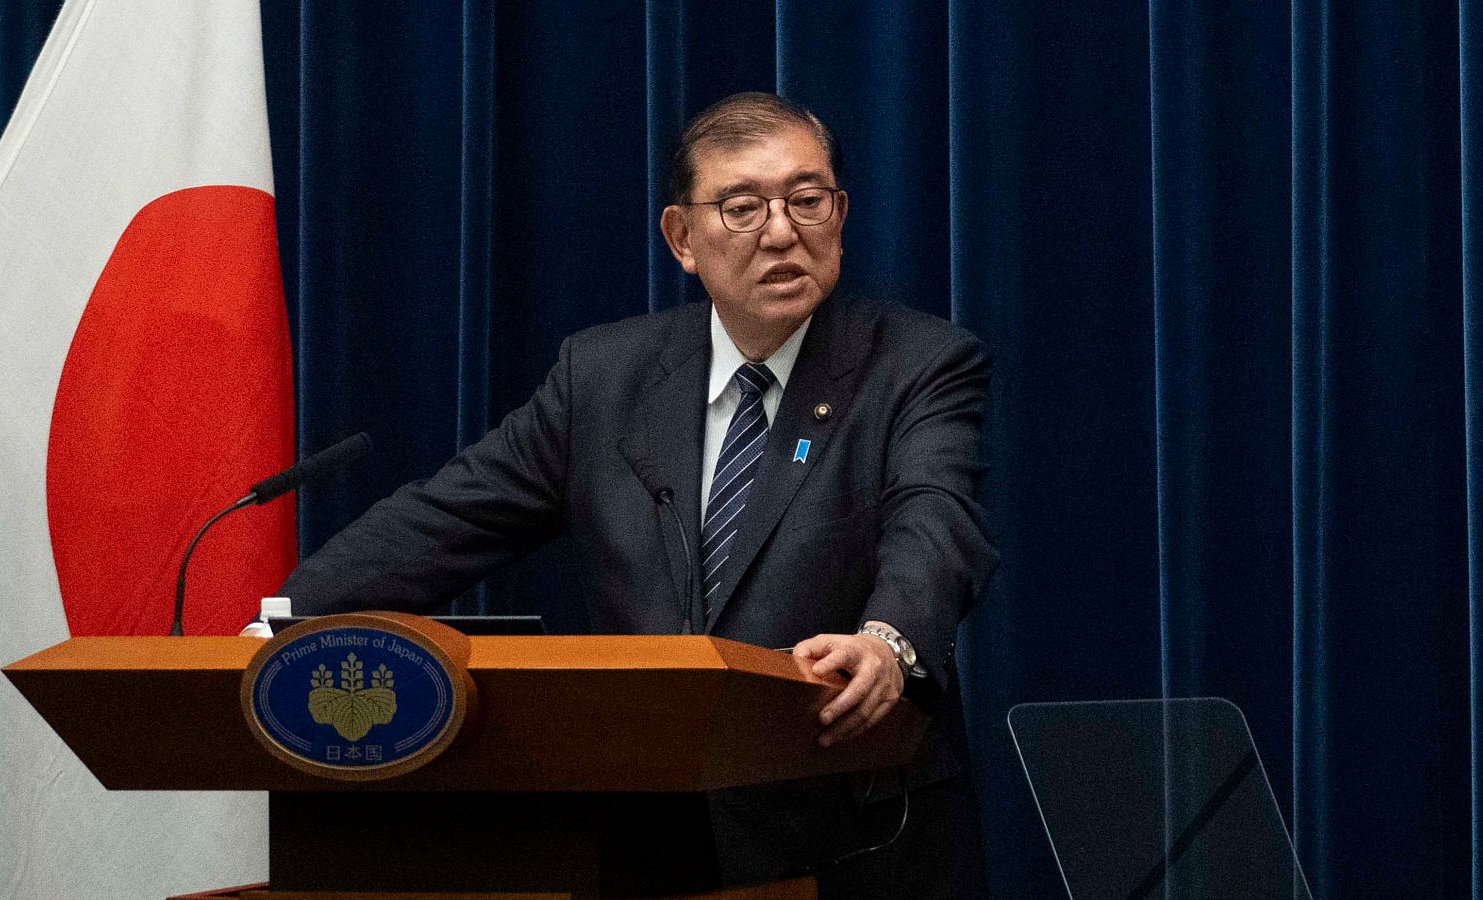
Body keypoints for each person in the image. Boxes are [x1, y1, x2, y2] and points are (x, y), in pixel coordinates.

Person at [271, 92, 994, 899]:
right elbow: (444, 521)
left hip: (854, 840)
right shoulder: (604, 377)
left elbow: (936, 522)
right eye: (744, 207)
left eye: (807, 199)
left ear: (840, 212)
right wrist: (279, 619)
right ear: (683, 238)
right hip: (652, 842)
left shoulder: (918, 364)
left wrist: (887, 642)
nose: (783, 231)